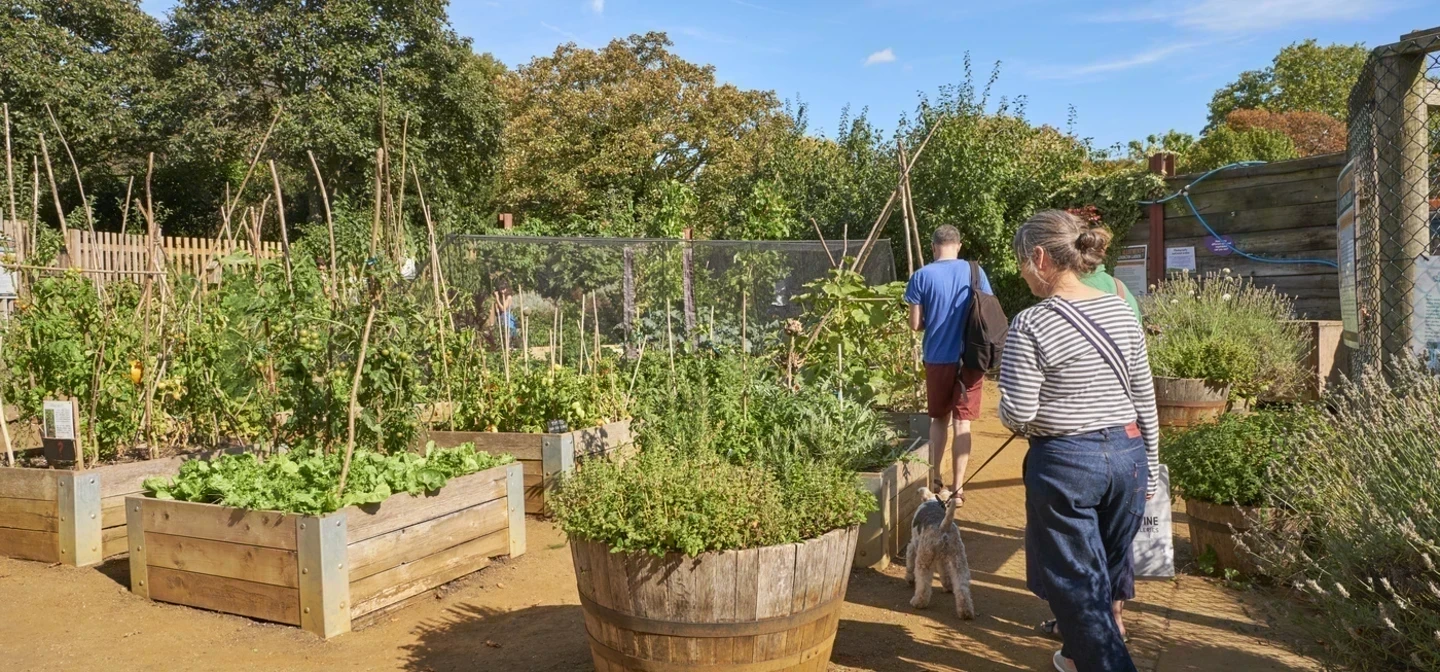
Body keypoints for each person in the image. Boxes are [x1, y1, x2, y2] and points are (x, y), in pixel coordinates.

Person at [998, 210, 1159, 672]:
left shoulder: (1031, 324)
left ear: (1041, 257)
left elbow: (1019, 414)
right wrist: (1150, 463)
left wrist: (1010, 398)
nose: (1021, 272)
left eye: (1021, 261)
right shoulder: (1120, 309)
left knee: (1078, 587)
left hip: (1067, 462)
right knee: (1105, 575)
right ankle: (1073, 657)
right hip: (1128, 457)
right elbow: (1143, 394)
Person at [1038, 255, 1143, 645]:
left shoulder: (1051, 303)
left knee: (1073, 550)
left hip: (1070, 444)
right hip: (1123, 438)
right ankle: (1116, 618)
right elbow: (1137, 362)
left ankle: (1074, 630)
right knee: (1114, 543)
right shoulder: (1120, 292)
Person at [904, 224, 992, 500]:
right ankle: (959, 487)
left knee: (938, 420)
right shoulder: (975, 271)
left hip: (938, 357)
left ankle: (936, 479)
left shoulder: (921, 276)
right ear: (959, 245)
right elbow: (986, 311)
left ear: (933, 246)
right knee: (962, 423)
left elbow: (916, 324)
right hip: (971, 357)